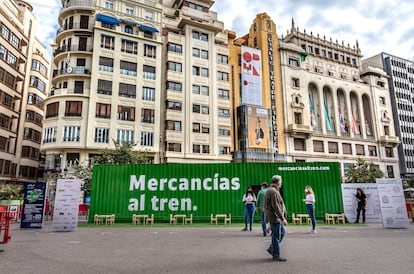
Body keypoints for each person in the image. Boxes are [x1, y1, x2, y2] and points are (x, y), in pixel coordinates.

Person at [265, 175, 288, 261]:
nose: (281, 183)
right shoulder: (273, 191)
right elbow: (276, 206)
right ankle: (276, 255)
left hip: (275, 217)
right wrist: (282, 218)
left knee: (281, 233)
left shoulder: (273, 190)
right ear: (278, 182)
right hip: (275, 217)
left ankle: (272, 249)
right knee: (276, 236)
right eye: (281, 181)